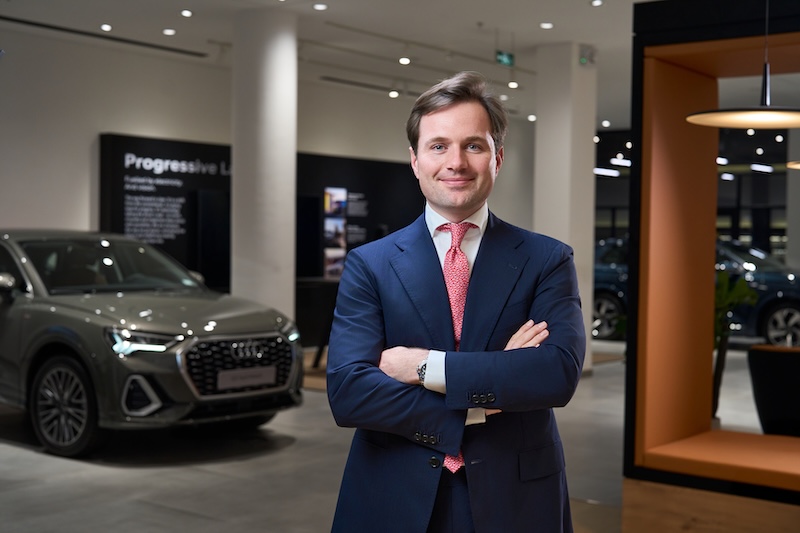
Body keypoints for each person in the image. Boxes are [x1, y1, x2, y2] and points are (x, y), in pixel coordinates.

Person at [326, 71, 586, 533]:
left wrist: (424, 366)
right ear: (415, 160)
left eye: (474, 145)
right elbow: (349, 393)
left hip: (515, 495)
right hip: (393, 490)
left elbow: (556, 374)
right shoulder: (371, 264)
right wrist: (484, 397)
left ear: (497, 158)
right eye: (438, 146)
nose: (456, 162)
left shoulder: (546, 259)